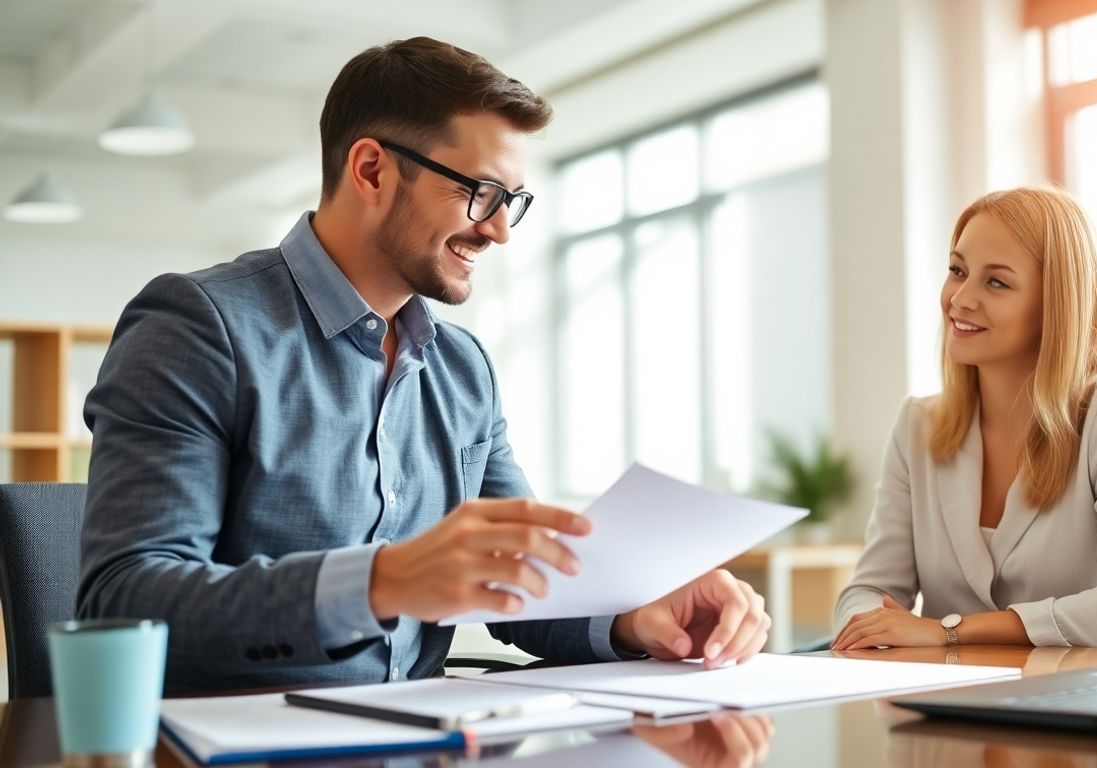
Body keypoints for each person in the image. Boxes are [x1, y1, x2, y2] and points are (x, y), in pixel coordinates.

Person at [77, 37, 769, 694]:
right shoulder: (200, 326)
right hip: (238, 744)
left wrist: (636, 613)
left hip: (426, 740)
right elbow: (125, 600)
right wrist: (380, 582)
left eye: (512, 202)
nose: (499, 229)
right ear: (372, 170)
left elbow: (520, 581)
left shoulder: (464, 369)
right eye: (482, 192)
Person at [832, 187, 1097, 652]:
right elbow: (869, 589)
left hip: (1078, 695)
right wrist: (870, 626)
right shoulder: (918, 425)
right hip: (949, 697)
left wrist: (950, 631)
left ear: (1056, 304)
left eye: (996, 283)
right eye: (957, 271)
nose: (960, 298)